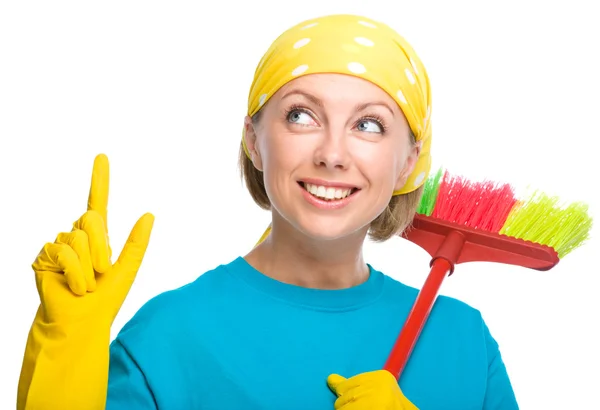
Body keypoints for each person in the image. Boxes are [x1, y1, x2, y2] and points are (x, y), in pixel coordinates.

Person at [17, 13, 519, 410]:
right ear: (253, 140)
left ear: (409, 162)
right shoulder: (168, 338)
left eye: (369, 125)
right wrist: (64, 354)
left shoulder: (463, 341)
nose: (333, 153)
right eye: (301, 115)